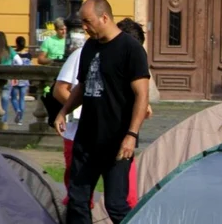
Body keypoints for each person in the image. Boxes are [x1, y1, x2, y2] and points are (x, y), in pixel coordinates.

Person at [52, 0, 150, 224]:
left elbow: (141, 95)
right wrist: (64, 110)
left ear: (104, 17)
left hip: (117, 141)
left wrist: (131, 135)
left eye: (88, 22)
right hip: (87, 138)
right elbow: (82, 84)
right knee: (78, 199)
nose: (84, 27)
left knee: (116, 204)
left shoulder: (130, 49)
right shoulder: (90, 47)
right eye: (83, 22)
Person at [53, 18, 150, 209]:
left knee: (122, 200)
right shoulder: (84, 53)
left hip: (115, 138)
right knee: (79, 198)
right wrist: (87, 108)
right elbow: (61, 89)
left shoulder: (132, 57)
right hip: (78, 135)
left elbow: (134, 94)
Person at [10, 36, 32, 125]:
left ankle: (17, 110)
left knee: (14, 98)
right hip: (25, 79)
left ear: (16, 43)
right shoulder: (28, 55)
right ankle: (21, 120)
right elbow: (30, 66)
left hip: (15, 78)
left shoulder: (13, 54)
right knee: (22, 99)